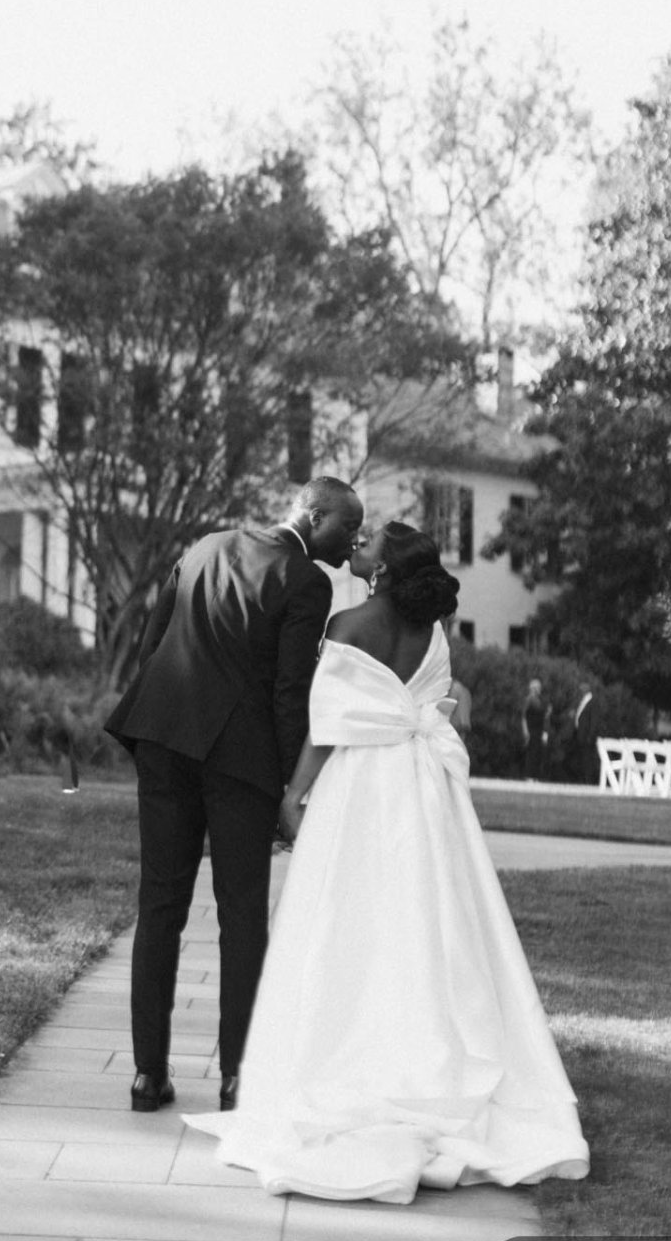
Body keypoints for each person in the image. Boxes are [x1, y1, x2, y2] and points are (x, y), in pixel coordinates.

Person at [186, 522, 589, 1202]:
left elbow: (327, 722)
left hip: (361, 786)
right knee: (429, 917)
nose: (360, 542)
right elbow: (440, 705)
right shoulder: (432, 632)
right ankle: (431, 1049)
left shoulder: (348, 624)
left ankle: (353, 1061)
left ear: (384, 566)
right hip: (423, 788)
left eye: (371, 540)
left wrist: (294, 792)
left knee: (347, 919)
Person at [105, 476, 365, 1114]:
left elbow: (152, 645)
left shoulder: (202, 548)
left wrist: (155, 724)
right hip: (238, 763)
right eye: (347, 527)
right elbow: (289, 693)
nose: (353, 540)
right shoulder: (306, 583)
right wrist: (289, 789)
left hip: (165, 741)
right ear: (312, 513)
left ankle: (147, 1075)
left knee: (159, 903)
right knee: (241, 916)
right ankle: (236, 1080)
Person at [521, 677, 548, 781]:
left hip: (539, 729)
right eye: (537, 687)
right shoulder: (528, 700)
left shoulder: (540, 700)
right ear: (533, 688)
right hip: (531, 729)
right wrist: (525, 730)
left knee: (537, 752)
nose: (539, 689)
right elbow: (523, 716)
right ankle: (529, 775)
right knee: (531, 752)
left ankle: (535, 775)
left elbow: (544, 716)